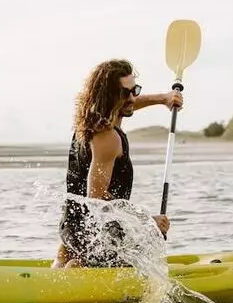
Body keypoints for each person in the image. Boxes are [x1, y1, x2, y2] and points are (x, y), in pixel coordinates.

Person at [52, 59, 183, 268]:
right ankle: (77, 271)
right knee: (142, 265)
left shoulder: (88, 122)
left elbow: (129, 105)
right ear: (109, 96)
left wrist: (163, 98)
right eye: (125, 93)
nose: (132, 98)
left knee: (73, 248)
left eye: (135, 90)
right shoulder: (108, 138)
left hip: (72, 229)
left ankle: (63, 265)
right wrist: (147, 221)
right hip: (95, 235)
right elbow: (96, 197)